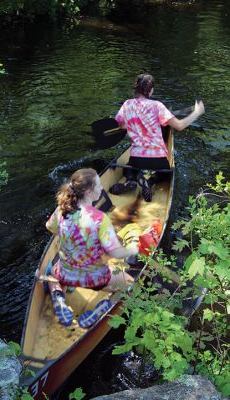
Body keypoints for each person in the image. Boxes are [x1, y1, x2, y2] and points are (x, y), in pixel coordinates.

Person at [45, 168, 138, 328]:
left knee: (53, 273)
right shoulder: (100, 219)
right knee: (131, 285)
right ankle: (104, 307)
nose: (101, 188)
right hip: (96, 279)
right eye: (98, 186)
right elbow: (116, 252)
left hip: (67, 274)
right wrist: (133, 248)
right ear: (88, 192)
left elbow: (50, 227)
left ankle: (58, 297)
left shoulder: (61, 210)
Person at [114, 73, 205, 199]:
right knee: (165, 174)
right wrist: (196, 112)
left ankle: (131, 180)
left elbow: (121, 124)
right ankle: (149, 182)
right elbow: (179, 126)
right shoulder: (157, 106)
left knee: (128, 167)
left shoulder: (127, 104)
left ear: (136, 89)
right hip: (158, 160)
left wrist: (134, 124)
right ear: (150, 90)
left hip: (137, 158)